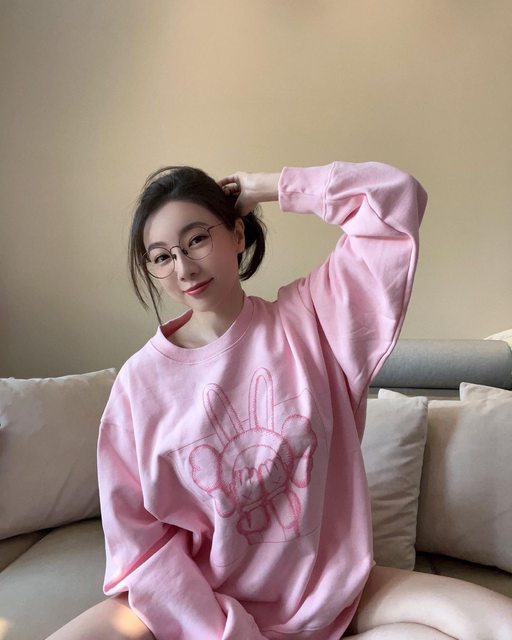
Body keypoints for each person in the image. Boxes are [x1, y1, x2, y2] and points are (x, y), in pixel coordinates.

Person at [47, 161, 512, 640]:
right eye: (162, 257)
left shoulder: (314, 320)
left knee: (499, 621)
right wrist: (220, 629)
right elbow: (141, 546)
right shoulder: (138, 385)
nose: (184, 268)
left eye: (197, 239)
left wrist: (269, 187)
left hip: (334, 593)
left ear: (237, 234)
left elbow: (393, 199)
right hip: (201, 604)